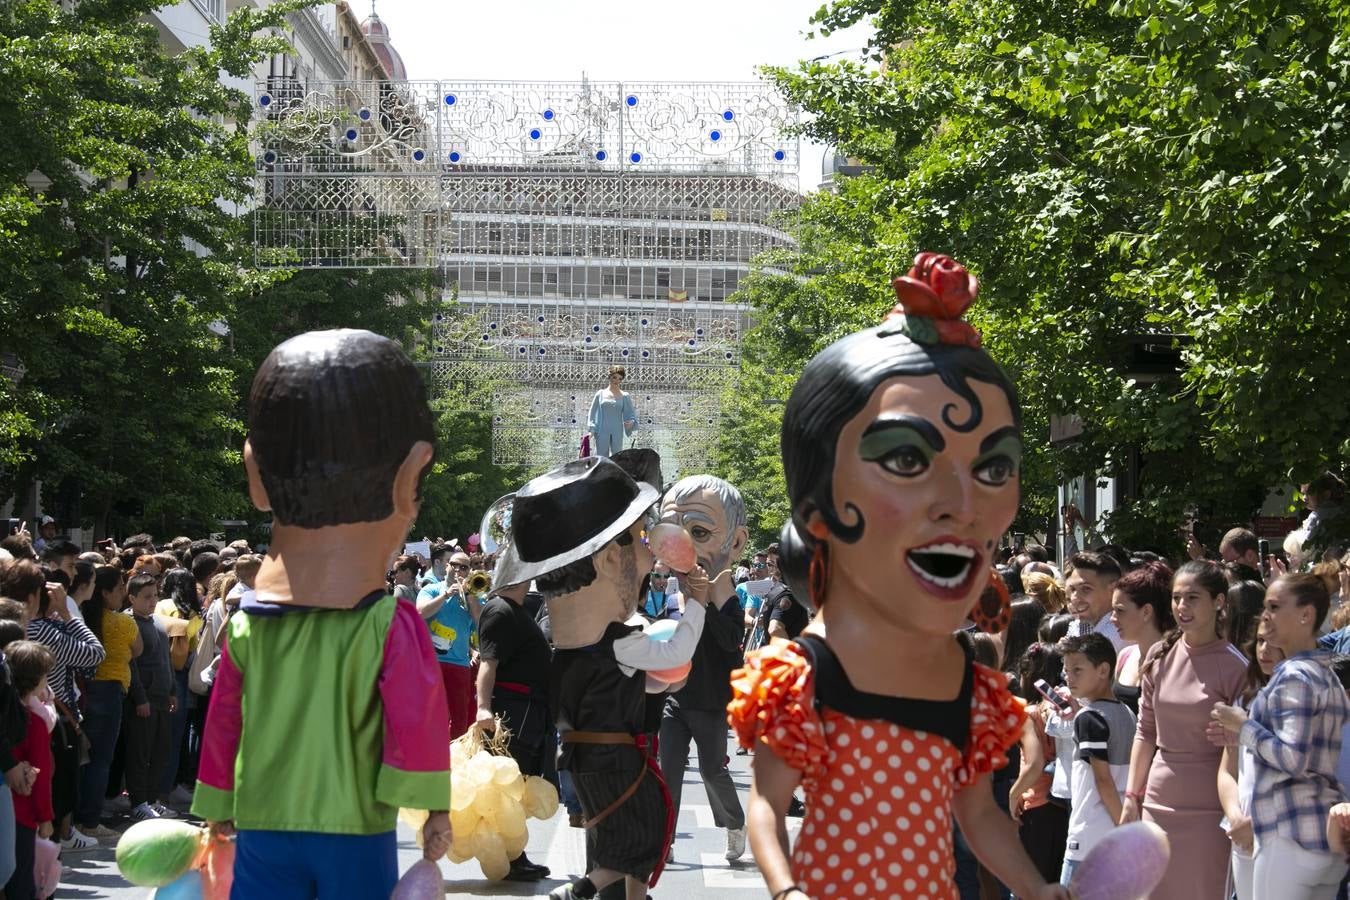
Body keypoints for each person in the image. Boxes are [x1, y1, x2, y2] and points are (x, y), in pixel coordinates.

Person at [728, 254, 1069, 899]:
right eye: (908, 458)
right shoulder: (799, 677)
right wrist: (785, 890)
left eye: (993, 469)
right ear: (818, 506)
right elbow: (765, 807)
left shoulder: (969, 686)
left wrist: (1035, 887)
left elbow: (978, 816)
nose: (962, 505)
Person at [192, 330, 452, 898]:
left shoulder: (244, 625)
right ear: (410, 477)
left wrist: (216, 802)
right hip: (355, 825)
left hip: (262, 819)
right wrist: (433, 807)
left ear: (255, 474)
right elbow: (417, 717)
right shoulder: (387, 624)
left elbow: (224, 721)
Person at [490, 456, 708, 900]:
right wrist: (696, 602)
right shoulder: (617, 642)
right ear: (611, 558)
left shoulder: (563, 649)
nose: (651, 557)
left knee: (626, 830)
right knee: (648, 825)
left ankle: (629, 895)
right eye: (639, 541)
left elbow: (615, 686)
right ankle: (583, 889)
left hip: (580, 759)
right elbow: (678, 650)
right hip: (616, 758)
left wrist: (654, 684)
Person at [1212, 574, 1350, 899]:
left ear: (1306, 616)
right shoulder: (1322, 672)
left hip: (1289, 838)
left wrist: (1242, 726)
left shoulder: (1295, 675)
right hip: (1316, 837)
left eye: (1274, 607)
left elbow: (1293, 759)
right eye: (1265, 608)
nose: (1266, 617)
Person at [1118, 559, 1247, 900]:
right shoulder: (1160, 656)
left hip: (1210, 810)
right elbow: (1145, 732)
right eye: (1176, 598)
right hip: (1158, 802)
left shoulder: (1237, 667)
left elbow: (1241, 749)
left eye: (1192, 598)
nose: (1181, 607)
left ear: (1219, 601)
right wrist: (1132, 797)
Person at [657, 474, 750, 863]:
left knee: (713, 771)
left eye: (696, 531)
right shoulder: (671, 594)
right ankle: (666, 840)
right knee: (669, 773)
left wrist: (704, 599)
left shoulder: (728, 600)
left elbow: (730, 643)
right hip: (675, 700)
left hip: (711, 703)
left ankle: (733, 823)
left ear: (737, 542)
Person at [474, 580, 553, 882]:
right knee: (509, 786)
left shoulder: (513, 610)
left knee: (515, 786)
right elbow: (487, 663)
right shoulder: (500, 610)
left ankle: (513, 856)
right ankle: (510, 859)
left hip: (527, 709)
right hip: (513, 711)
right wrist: (483, 707)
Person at [25, 567, 104, 851]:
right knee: (56, 791)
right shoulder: (43, 631)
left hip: (40, 717)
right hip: (51, 719)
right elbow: (94, 653)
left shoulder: (22, 626)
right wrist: (68, 614)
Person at [1056, 633, 1135, 886]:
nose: (1069, 677)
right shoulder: (1127, 712)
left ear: (1103, 670)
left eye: (1077, 670)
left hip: (1089, 836)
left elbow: (1103, 779)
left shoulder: (1088, 718)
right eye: (1067, 670)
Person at [1216, 625, 1283, 900]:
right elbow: (1227, 771)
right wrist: (1235, 816)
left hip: (1285, 835)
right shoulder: (1245, 700)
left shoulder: (1303, 701)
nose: (1265, 649)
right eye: (1260, 641)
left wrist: (1258, 823)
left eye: (1273, 642)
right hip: (1242, 835)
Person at [76, 565, 141, 841]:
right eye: (119, 588)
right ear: (104, 593)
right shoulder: (123, 623)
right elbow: (138, 650)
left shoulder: (80, 620)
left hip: (81, 693)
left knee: (80, 759)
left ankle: (76, 818)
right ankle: (89, 820)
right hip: (109, 692)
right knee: (101, 759)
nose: (124, 593)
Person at [3, 640, 54, 900]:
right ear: (36, 681)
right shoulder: (32, 722)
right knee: (22, 882)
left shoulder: (9, 717)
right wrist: (45, 818)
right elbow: (41, 774)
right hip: (22, 815)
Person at [123, 573, 176, 821]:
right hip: (142, 700)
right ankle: (138, 802)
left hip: (162, 697)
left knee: (160, 751)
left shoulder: (157, 622)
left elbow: (165, 661)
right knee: (139, 753)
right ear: (131, 597)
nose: (152, 601)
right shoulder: (128, 622)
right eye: (146, 597)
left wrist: (172, 690)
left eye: (155, 596)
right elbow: (131, 665)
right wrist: (140, 697)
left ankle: (152, 799)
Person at [419, 545, 479, 740]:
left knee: (460, 719)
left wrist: (470, 598)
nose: (458, 570)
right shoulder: (431, 589)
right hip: (431, 662)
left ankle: (454, 762)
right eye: (454, 565)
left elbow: (480, 623)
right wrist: (445, 595)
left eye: (464, 567)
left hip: (459, 664)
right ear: (446, 566)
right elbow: (420, 613)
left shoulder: (473, 596)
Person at [1108, 561, 1173, 715]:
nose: (1112, 618)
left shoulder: (1176, 660)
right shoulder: (1125, 656)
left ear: (1146, 612)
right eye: (1113, 610)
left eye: (1120, 610)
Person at [1064, 552, 1124, 650]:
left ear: (1113, 590)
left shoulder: (1120, 634)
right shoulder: (1078, 626)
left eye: (1086, 589)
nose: (1074, 598)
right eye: (1073, 590)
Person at [588, 365, 638, 458]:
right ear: (609, 377)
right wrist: (591, 431)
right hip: (602, 431)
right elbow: (592, 413)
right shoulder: (600, 394)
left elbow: (631, 414)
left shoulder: (625, 396)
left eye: (620, 378)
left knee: (617, 457)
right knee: (600, 458)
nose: (617, 381)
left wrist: (631, 422)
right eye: (614, 377)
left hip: (617, 431)